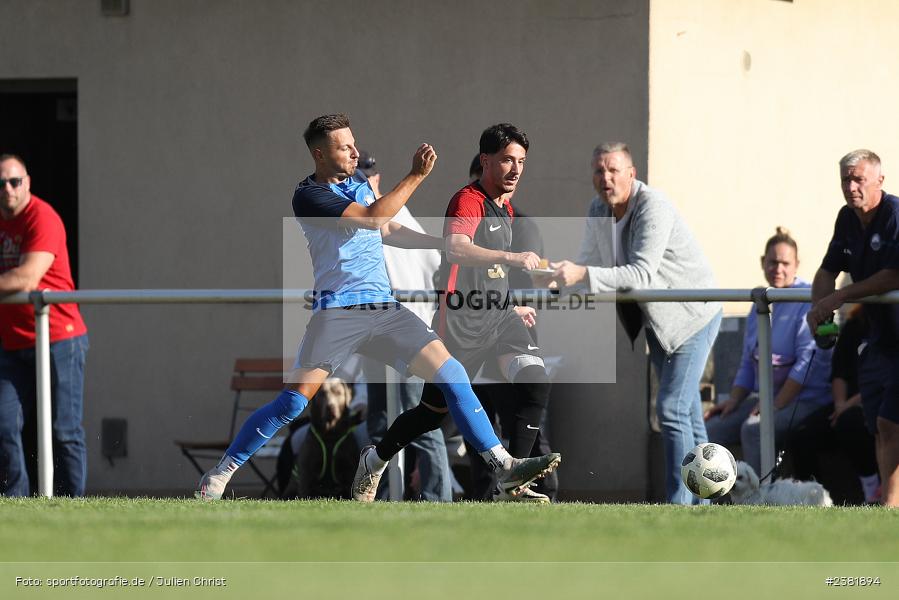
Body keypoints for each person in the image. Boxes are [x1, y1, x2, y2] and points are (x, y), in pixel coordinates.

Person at [195, 114, 560, 501]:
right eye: (344, 147)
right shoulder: (308, 195)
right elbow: (373, 219)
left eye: (354, 143)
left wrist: (441, 244)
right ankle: (220, 474)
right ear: (319, 155)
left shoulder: (357, 184)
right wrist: (416, 175)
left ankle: (502, 466)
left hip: (384, 309)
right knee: (292, 403)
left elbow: (388, 230)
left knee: (452, 373)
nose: (354, 151)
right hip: (338, 312)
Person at [361, 124, 557, 503]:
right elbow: (456, 249)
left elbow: (491, 274)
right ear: (486, 161)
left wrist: (513, 300)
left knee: (535, 381)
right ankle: (376, 457)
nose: (515, 169)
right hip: (463, 325)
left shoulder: (506, 207)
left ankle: (514, 480)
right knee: (430, 415)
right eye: (506, 161)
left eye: (521, 162)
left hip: (499, 318)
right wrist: (511, 256)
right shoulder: (467, 200)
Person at [548, 142, 722, 504]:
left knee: (671, 408)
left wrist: (580, 273)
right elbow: (588, 262)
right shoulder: (598, 209)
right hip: (657, 320)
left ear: (632, 174)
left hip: (693, 316)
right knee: (687, 413)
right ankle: (707, 501)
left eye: (613, 170)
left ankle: (680, 505)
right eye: (598, 171)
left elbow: (640, 273)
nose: (605, 178)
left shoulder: (652, 205)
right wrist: (553, 282)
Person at [356, 151, 453, 502]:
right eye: (356, 176)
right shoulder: (361, 213)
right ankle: (377, 496)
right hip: (374, 330)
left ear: (378, 178)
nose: (362, 182)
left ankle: (436, 498)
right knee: (380, 421)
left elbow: (434, 268)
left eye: (367, 175)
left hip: (409, 330)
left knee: (422, 420)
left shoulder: (394, 212)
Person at [807, 149, 899, 507]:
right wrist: (820, 311)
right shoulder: (846, 218)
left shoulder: (894, 214)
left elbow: (893, 273)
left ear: (880, 180)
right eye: (846, 179)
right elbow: (827, 271)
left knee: (892, 424)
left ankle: (890, 508)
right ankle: (888, 507)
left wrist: (840, 296)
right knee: (879, 427)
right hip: (880, 341)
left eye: (859, 178)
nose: (851, 186)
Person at [704, 227, 832, 477]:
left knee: (754, 429)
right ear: (763, 263)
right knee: (710, 429)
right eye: (773, 262)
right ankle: (701, 501)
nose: (778, 268)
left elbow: (805, 365)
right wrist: (732, 401)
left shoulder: (805, 299)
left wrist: (774, 405)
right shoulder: (761, 304)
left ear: (796, 266)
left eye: (785, 263)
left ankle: (762, 498)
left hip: (808, 401)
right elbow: (746, 365)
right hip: (767, 398)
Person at [0, 154, 89, 497]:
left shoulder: (43, 217)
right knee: (5, 424)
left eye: (14, 181)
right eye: (1, 183)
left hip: (59, 339)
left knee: (64, 430)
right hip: (13, 342)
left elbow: (26, 277)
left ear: (27, 182)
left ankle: (70, 507)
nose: (8, 189)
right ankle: (16, 504)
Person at [788, 305, 880, 503]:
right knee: (802, 435)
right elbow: (839, 372)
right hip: (844, 405)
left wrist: (849, 406)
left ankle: (872, 493)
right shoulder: (855, 324)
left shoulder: (891, 326)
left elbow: (885, 377)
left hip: (879, 400)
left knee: (850, 423)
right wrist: (840, 404)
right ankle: (811, 499)